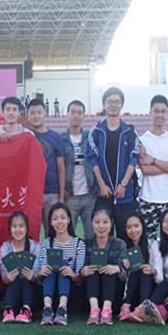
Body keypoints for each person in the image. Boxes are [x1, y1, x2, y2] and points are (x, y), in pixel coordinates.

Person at [86, 87, 141, 244]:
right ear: (104, 105)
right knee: (104, 238)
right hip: (103, 195)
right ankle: (105, 262)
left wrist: (123, 184)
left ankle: (129, 262)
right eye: (109, 101)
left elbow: (133, 159)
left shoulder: (130, 132)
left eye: (117, 101)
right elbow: (93, 160)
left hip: (126, 194)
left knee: (128, 236)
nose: (113, 105)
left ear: (122, 105)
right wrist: (102, 185)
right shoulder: (96, 132)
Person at [138, 95, 168, 239]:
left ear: (167, 114)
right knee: (147, 241)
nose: (159, 115)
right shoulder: (142, 141)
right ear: (150, 113)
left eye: (163, 111)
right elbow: (146, 170)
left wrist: (153, 160)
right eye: (156, 111)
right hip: (148, 199)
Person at [35, 202, 85, 326]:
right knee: (52, 264)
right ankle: (47, 309)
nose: (59, 222)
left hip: (71, 292)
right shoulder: (46, 243)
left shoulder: (79, 244)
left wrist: (72, 274)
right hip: (51, 290)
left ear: (69, 220)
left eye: (63, 217)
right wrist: (41, 273)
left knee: (62, 263)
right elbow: (41, 278)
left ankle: (62, 309)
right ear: (51, 222)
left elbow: (79, 280)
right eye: (55, 218)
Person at [80, 206, 127, 325]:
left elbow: (125, 276)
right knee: (92, 268)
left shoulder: (120, 244)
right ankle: (94, 310)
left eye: (105, 222)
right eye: (97, 222)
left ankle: (107, 310)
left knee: (108, 267)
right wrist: (82, 271)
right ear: (91, 222)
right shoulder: (85, 244)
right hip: (90, 295)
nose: (101, 226)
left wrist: (118, 269)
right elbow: (78, 273)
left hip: (113, 294)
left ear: (111, 223)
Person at [27, 98, 65, 236]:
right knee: (30, 235)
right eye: (32, 113)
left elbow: (61, 168)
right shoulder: (24, 135)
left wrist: (61, 197)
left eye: (39, 112)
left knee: (53, 235)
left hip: (52, 193)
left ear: (45, 114)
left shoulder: (55, 137)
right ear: (28, 116)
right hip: (31, 195)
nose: (36, 116)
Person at [63, 100, 97, 244]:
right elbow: (59, 167)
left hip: (90, 196)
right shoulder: (61, 139)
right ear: (67, 115)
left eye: (79, 113)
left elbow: (98, 162)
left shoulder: (91, 137)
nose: (76, 115)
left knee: (92, 237)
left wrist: (96, 186)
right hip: (70, 197)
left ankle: (91, 259)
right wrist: (63, 190)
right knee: (68, 237)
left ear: (84, 116)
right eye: (73, 112)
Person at [118, 212, 162, 322]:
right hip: (130, 291)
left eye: (136, 226)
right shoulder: (123, 246)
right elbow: (121, 277)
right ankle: (125, 308)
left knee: (143, 269)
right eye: (129, 227)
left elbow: (160, 277)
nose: (133, 230)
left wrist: (153, 271)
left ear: (142, 226)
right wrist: (125, 269)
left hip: (148, 288)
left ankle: (142, 309)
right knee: (135, 269)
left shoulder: (152, 244)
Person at [0, 211, 40, 324]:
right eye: (14, 226)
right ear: (10, 229)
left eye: (21, 226)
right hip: (13, 292)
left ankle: (26, 311)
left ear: (26, 229)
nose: (18, 230)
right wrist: (7, 278)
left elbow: (38, 277)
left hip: (32, 295)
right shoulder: (5, 247)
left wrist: (33, 277)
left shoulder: (35, 246)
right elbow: (3, 275)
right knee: (15, 277)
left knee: (26, 277)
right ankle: (8, 310)